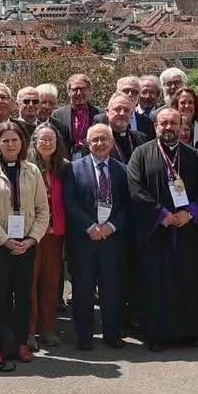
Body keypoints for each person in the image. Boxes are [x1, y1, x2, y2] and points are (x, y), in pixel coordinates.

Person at [127, 108, 198, 351]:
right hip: (156, 231)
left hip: (186, 230)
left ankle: (188, 333)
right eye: (163, 123)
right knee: (157, 283)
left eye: (173, 123)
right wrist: (160, 214)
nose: (168, 127)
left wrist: (189, 212)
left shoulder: (194, 155)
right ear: (155, 126)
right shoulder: (141, 154)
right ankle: (156, 336)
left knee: (187, 280)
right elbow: (135, 188)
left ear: (181, 126)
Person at [0, 123, 47, 371]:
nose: (10, 144)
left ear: (22, 143)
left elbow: (43, 210)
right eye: (5, 140)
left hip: (26, 244)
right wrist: (5, 240)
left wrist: (31, 239)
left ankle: (20, 343)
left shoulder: (32, 170)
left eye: (14, 140)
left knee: (24, 295)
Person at [64, 122, 131, 350]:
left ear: (111, 143)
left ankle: (112, 335)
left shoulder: (122, 170)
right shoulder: (73, 169)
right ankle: (84, 336)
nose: (100, 143)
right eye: (95, 140)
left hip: (112, 240)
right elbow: (70, 202)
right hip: (83, 240)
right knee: (82, 290)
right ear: (87, 143)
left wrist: (112, 226)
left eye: (104, 139)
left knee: (112, 289)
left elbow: (127, 204)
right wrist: (89, 226)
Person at [27, 123, 70, 349]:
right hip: (32, 234)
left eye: (50, 139)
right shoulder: (26, 167)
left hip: (55, 234)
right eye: (42, 139)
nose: (46, 143)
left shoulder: (65, 167)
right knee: (30, 283)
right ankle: (29, 331)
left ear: (57, 142)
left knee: (51, 283)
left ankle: (48, 329)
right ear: (34, 142)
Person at [53, 74, 100, 156]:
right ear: (69, 92)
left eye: (82, 89)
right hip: (66, 158)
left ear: (89, 91)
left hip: (93, 156)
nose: (79, 93)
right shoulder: (58, 115)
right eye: (75, 89)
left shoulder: (100, 114)